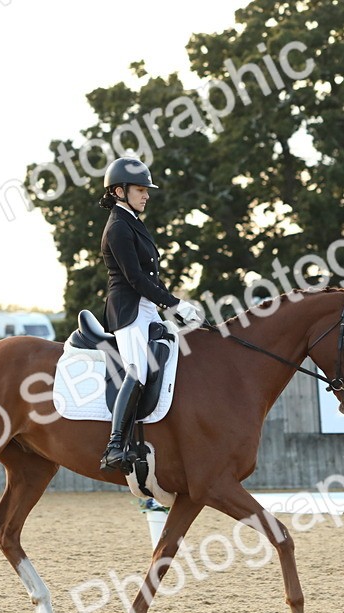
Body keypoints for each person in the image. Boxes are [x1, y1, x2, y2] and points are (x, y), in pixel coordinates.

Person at [97, 157, 201, 472]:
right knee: (137, 371)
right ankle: (115, 446)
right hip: (127, 310)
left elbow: (151, 278)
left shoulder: (134, 222)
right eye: (140, 190)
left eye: (146, 190)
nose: (146, 196)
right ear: (119, 190)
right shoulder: (117, 227)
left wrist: (176, 310)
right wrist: (175, 303)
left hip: (146, 307)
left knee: (176, 348)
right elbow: (136, 279)